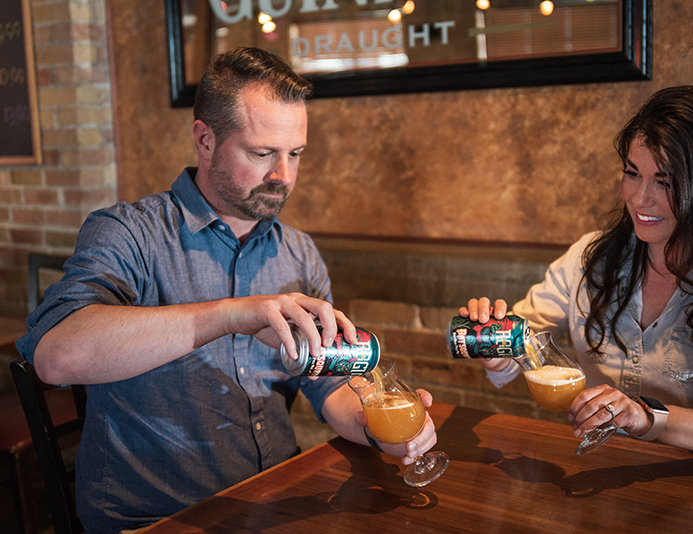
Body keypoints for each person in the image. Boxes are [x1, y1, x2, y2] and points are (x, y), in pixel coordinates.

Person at [16, 47, 438, 534]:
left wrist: (373, 426)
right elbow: (57, 356)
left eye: (295, 153)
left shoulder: (298, 253)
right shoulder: (128, 233)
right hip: (158, 518)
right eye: (262, 154)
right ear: (206, 140)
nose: (284, 175)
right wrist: (232, 315)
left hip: (276, 497)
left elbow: (326, 380)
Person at [461, 85, 693, 457]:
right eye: (633, 173)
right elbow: (523, 342)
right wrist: (496, 349)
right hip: (596, 476)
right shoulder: (591, 260)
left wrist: (647, 417)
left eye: (665, 182)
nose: (640, 198)